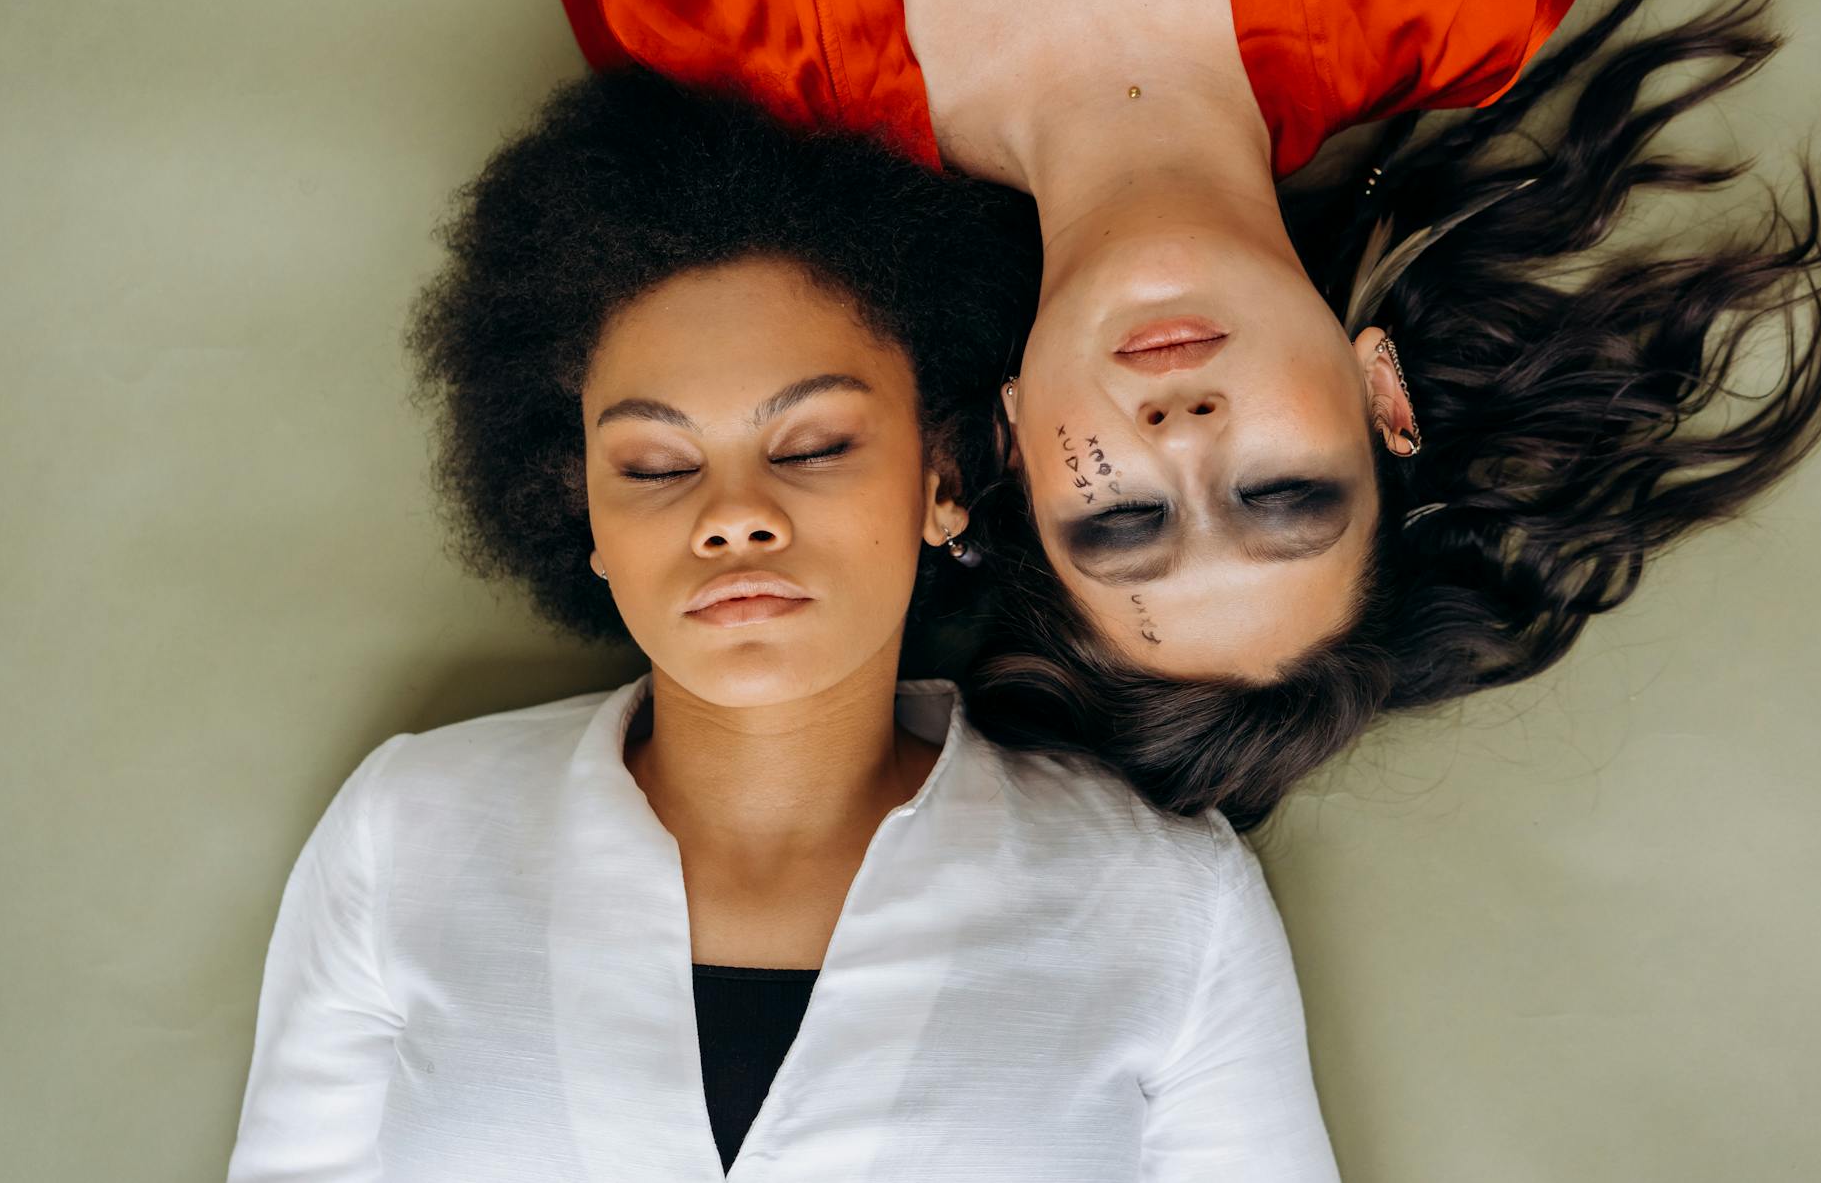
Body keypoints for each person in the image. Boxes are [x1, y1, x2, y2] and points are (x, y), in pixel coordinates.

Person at [478, 0, 1821, 829]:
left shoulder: (708, 31)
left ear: (1007, 451)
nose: (1184, 435)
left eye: (1125, 520)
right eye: (1278, 491)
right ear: (1384, 399)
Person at [225, 69, 1341, 1180]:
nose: (732, 520)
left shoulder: (1165, 911)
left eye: (812, 447)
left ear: (942, 477)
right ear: (585, 520)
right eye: (655, 465)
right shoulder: (407, 839)